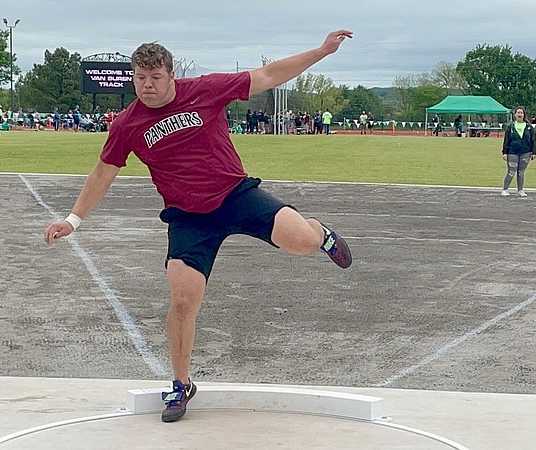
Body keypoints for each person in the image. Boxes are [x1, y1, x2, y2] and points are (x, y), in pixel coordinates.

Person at [43, 29, 354, 423]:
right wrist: (73, 220)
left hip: (236, 196)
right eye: (140, 77)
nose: (147, 85)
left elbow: (270, 75)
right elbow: (104, 171)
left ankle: (320, 232)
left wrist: (323, 51)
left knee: (302, 242)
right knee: (183, 301)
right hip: (188, 217)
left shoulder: (206, 90)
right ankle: (181, 384)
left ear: (172, 76)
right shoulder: (127, 124)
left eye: (155, 77)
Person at [501, 106, 536, 197]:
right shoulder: (511, 126)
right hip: (512, 152)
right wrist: (504, 152)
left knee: (521, 172)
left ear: (524, 114)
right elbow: (506, 140)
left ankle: (520, 190)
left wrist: (534, 152)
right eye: (518, 112)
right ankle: (505, 189)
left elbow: (533, 140)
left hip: (525, 152)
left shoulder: (529, 127)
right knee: (511, 171)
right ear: (515, 115)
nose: (520, 114)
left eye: (521, 113)